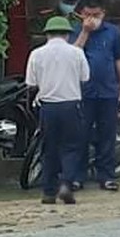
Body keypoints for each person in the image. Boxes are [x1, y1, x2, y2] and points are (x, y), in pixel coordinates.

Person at [25, 16, 90, 205]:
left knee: (49, 149)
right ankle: (66, 184)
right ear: (67, 35)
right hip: (71, 105)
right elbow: (85, 77)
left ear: (47, 34)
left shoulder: (36, 54)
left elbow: (31, 84)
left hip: (48, 107)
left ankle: (48, 192)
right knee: (71, 147)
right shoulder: (76, 53)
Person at [72, 0, 120, 192]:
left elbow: (119, 59)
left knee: (107, 135)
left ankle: (106, 176)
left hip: (108, 91)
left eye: (96, 15)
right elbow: (73, 54)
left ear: (103, 13)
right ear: (80, 14)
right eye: (88, 14)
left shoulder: (112, 32)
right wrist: (85, 32)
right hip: (83, 92)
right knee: (81, 135)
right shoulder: (76, 31)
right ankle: (77, 177)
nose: (92, 19)